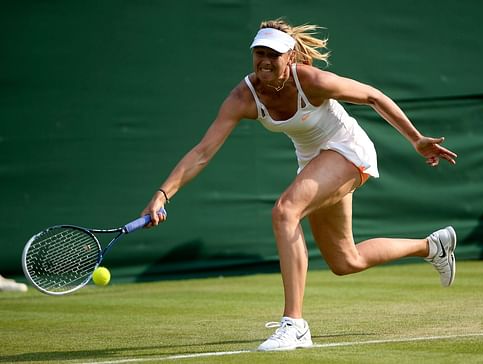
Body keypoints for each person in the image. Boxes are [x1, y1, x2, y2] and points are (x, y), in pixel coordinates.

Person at [141, 18, 458, 351]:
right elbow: (203, 152)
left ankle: (294, 323)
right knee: (345, 261)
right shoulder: (243, 97)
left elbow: (373, 96)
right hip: (315, 163)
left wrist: (416, 139)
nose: (264, 60)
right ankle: (432, 246)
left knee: (284, 211)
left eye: (273, 54)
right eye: (258, 52)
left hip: (347, 150)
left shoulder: (311, 80)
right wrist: (163, 194)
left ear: (290, 57)